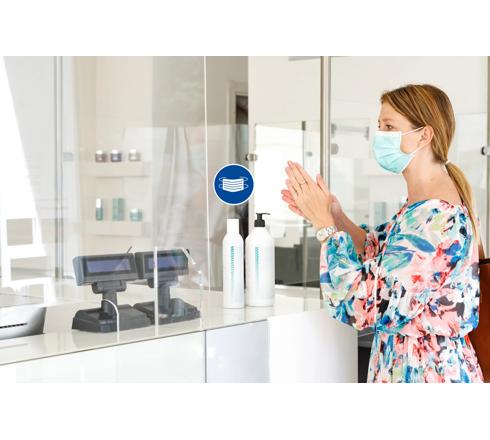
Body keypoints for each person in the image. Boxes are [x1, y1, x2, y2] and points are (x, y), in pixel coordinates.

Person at [281, 84, 483, 383]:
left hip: (427, 374)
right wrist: (335, 216)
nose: (380, 135)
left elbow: (365, 304)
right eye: (379, 126)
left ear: (424, 135)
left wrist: (325, 227)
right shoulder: (422, 207)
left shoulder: (438, 218)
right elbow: (377, 251)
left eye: (389, 126)